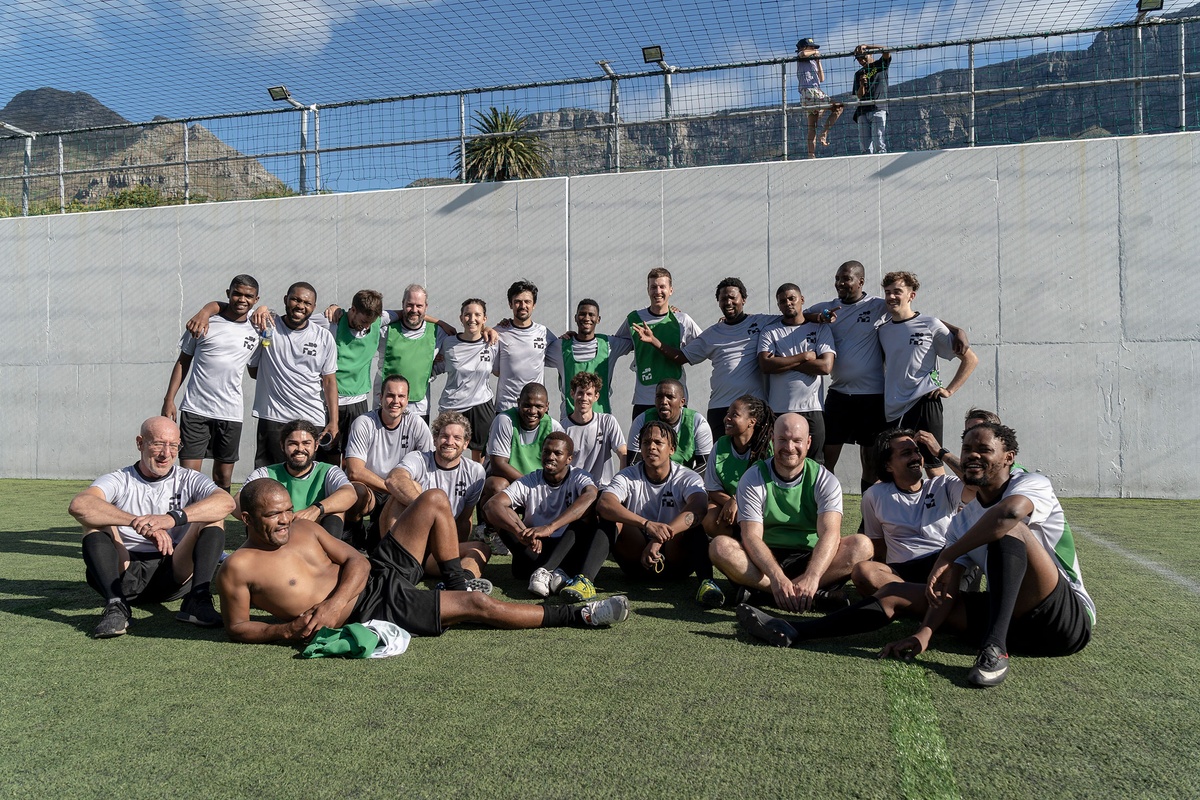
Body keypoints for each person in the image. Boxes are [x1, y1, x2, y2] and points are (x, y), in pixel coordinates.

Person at [738, 423, 1095, 689]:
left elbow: (1009, 516)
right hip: (1010, 619)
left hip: (1061, 620)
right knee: (893, 593)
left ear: (1008, 458)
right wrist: (925, 632)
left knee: (1008, 528)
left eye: (983, 449)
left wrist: (947, 554)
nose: (973, 454)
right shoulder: (958, 519)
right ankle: (797, 630)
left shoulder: (1030, 483)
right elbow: (947, 588)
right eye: (967, 447)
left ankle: (995, 650)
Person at [217, 478, 630, 644]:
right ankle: (577, 616)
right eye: (273, 515)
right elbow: (237, 627)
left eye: (287, 509)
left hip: (371, 576)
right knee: (478, 607)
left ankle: (454, 581)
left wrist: (330, 605)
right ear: (247, 518)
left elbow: (358, 564)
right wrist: (285, 629)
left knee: (434, 500)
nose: (285, 520)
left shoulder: (306, 528)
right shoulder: (238, 568)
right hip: (372, 607)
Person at [805, 260, 968, 494]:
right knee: (826, 457)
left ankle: (867, 516)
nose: (840, 283)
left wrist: (956, 330)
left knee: (873, 462)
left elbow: (913, 315)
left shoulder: (877, 305)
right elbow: (800, 316)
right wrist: (819, 317)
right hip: (839, 394)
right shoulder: (828, 307)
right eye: (838, 278)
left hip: (873, 398)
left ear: (860, 281)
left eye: (846, 278)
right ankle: (822, 509)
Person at [68, 416, 234, 638]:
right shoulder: (120, 479)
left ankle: (197, 599)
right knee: (93, 521)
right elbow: (79, 505)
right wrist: (137, 523)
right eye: (158, 444)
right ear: (140, 443)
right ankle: (116, 605)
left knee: (214, 516)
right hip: (124, 572)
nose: (166, 453)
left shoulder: (188, 478)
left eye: (173, 445)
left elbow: (227, 503)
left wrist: (172, 518)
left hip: (175, 571)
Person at [709, 413, 872, 612]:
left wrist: (812, 577)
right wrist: (777, 579)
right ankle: (802, 596)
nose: (789, 447)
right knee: (719, 546)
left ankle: (770, 594)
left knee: (862, 545)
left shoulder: (825, 480)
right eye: (783, 440)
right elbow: (751, 537)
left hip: (811, 559)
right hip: (764, 562)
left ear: (809, 442)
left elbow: (830, 534)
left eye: (797, 441)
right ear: (773, 440)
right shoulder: (753, 477)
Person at [185, 281, 339, 468]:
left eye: (307, 303)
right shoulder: (266, 325)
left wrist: (334, 421)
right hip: (273, 417)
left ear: (314, 307)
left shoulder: (324, 337)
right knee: (268, 481)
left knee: (308, 478)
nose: (300, 306)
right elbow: (234, 306)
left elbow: (330, 382)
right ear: (286, 300)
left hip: (311, 418)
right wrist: (205, 311)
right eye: (295, 300)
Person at [598, 420, 718, 606]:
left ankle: (707, 583)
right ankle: (584, 579)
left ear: (671, 448)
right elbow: (604, 504)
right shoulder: (627, 475)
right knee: (611, 519)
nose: (651, 447)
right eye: (646, 443)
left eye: (658, 443)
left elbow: (699, 507)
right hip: (635, 561)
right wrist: (646, 524)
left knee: (694, 522)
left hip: (675, 562)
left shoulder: (686, 476)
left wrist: (659, 539)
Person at [632, 277, 773, 435]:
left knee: (757, 457)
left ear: (744, 299)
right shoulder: (712, 333)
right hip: (720, 407)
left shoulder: (761, 322)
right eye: (723, 298)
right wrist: (654, 341)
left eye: (733, 297)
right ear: (718, 302)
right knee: (721, 456)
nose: (728, 302)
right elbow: (682, 357)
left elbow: (792, 320)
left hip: (752, 406)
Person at [162, 274, 260, 493]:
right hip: (196, 410)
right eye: (237, 294)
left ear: (256, 299)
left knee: (223, 478)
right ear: (228, 294)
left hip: (230, 413)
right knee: (189, 477)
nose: (242, 299)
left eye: (248, 296)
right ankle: (187, 524)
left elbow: (254, 371)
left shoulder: (256, 329)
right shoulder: (202, 323)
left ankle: (217, 524)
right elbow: (182, 362)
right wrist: (169, 399)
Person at [484, 433, 607, 602]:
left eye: (557, 453)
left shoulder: (580, 476)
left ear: (569, 458)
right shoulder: (530, 480)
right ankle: (556, 574)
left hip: (568, 546)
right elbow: (491, 505)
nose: (550, 457)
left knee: (588, 513)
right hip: (536, 547)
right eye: (546, 452)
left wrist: (550, 527)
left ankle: (547, 571)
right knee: (502, 516)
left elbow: (591, 495)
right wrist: (521, 532)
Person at [878, 271, 979, 476]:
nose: (891, 297)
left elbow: (971, 359)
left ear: (911, 296)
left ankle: (946, 508)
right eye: (887, 292)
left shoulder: (930, 325)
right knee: (896, 468)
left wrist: (949, 390)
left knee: (933, 466)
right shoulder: (882, 330)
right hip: (893, 408)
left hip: (924, 402)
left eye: (897, 291)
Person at [853, 428, 963, 595]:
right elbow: (878, 546)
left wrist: (941, 453)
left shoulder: (943, 485)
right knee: (862, 571)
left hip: (942, 562)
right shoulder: (874, 495)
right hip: (900, 572)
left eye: (917, 451)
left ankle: (908, 597)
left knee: (966, 552)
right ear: (888, 465)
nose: (916, 458)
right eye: (906, 453)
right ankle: (929, 597)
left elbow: (979, 483)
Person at [382, 412, 490, 578]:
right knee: (409, 488)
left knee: (481, 549)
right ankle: (394, 564)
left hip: (437, 549)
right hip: (410, 542)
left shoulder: (475, 472)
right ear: (434, 439)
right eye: (444, 436)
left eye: (457, 438)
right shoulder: (418, 459)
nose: (450, 442)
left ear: (466, 443)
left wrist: (452, 551)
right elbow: (393, 479)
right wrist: (427, 508)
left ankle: (463, 585)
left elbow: (464, 519)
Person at [341, 375, 434, 547]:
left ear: (407, 399)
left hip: (395, 489)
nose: (395, 401)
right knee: (356, 491)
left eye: (401, 396)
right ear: (380, 397)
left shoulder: (417, 424)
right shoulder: (364, 423)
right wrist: (394, 487)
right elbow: (355, 471)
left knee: (416, 489)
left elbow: (428, 467)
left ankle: (398, 540)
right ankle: (353, 532)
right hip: (371, 488)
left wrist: (402, 488)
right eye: (390, 395)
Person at [238, 419, 365, 542]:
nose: (300, 448)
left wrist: (316, 509)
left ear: (316, 446)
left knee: (336, 510)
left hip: (315, 535)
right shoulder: (265, 473)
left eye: (306, 443)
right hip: (277, 532)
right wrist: (278, 517)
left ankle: (328, 557)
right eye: (293, 443)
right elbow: (238, 502)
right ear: (282, 446)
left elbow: (350, 494)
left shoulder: (328, 471)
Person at [611, 267, 703, 422]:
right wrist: (576, 335)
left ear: (671, 290)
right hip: (644, 398)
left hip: (674, 400)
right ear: (648, 290)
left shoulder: (682, 320)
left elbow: (704, 345)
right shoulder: (634, 318)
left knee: (674, 445)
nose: (658, 291)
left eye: (662, 287)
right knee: (644, 445)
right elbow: (613, 343)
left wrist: (723, 324)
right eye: (653, 287)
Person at [758, 283, 836, 463]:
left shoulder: (820, 328)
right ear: (778, 305)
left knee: (815, 463)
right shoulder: (770, 331)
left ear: (802, 300)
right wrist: (804, 357)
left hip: (812, 409)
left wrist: (783, 360)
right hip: (779, 409)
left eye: (792, 298)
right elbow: (766, 365)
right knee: (779, 461)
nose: (788, 303)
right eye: (782, 301)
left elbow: (825, 367)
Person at [702, 395, 775, 540]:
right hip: (729, 506)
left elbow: (772, 490)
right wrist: (731, 502)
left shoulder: (767, 449)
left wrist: (738, 501)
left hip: (761, 507)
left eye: (734, 415)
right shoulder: (720, 446)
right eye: (727, 414)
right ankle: (737, 544)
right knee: (710, 516)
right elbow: (713, 490)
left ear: (751, 422)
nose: (726, 418)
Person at [434, 298, 498, 462]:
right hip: (452, 406)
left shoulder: (492, 342)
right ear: (461, 318)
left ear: (484, 319)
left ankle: (477, 487)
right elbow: (437, 366)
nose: (472, 319)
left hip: (481, 404)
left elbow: (500, 369)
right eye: (467, 314)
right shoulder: (448, 343)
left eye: (477, 315)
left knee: (480, 457)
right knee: (449, 452)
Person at [483, 382, 564, 507]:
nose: (532, 411)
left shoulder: (554, 427)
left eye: (539, 406)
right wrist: (530, 486)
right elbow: (498, 465)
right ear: (518, 402)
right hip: (510, 481)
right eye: (527, 405)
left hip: (539, 485)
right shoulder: (505, 420)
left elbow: (560, 465)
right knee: (497, 485)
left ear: (547, 406)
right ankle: (490, 525)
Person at [546, 298, 631, 416]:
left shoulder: (610, 345)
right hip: (569, 419)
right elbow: (534, 353)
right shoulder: (560, 347)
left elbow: (636, 342)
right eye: (582, 314)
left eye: (591, 315)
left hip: (601, 417)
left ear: (598, 319)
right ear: (575, 318)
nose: (586, 318)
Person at [627, 378, 714, 473]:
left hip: (684, 483)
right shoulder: (642, 420)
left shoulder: (697, 422)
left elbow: (705, 466)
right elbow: (633, 462)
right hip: (648, 482)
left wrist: (683, 483)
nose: (664, 401)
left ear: (682, 402)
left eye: (670, 397)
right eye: (659, 397)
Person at [495, 280, 557, 412]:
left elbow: (564, 351)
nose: (523, 305)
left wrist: (571, 335)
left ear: (534, 305)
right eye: (517, 301)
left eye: (527, 301)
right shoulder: (499, 332)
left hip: (536, 408)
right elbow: (495, 370)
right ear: (510, 304)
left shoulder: (544, 332)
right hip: (507, 407)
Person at [561, 371, 627, 485]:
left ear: (596, 397)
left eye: (589, 394)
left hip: (602, 488)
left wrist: (621, 485)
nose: (584, 398)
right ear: (572, 394)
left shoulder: (607, 422)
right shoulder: (562, 428)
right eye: (580, 393)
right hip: (574, 488)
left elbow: (623, 453)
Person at [796, 38, 843, 159]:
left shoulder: (812, 60)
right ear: (804, 47)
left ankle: (811, 154)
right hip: (811, 92)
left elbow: (821, 79)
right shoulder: (802, 57)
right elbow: (803, 54)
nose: (814, 50)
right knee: (838, 106)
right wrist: (814, 53)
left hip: (811, 93)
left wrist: (818, 61)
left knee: (813, 125)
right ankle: (824, 133)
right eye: (811, 47)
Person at [852, 43, 892, 154]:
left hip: (878, 107)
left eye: (863, 57)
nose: (861, 61)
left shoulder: (881, 64)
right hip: (862, 111)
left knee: (879, 143)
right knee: (865, 147)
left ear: (870, 55)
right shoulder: (858, 74)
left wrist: (868, 46)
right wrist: (861, 85)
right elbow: (859, 95)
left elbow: (886, 49)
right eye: (858, 59)